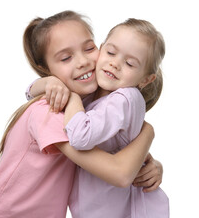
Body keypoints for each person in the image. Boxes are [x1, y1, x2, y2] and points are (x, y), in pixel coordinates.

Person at [0, 11, 157, 218]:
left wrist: (150, 166)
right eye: (66, 58)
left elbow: (119, 150)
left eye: (89, 48)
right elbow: (120, 173)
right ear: (45, 68)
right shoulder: (50, 112)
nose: (83, 61)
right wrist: (148, 132)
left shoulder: (86, 108)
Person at [27, 17, 168, 217]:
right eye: (110, 52)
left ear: (146, 79)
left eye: (129, 63)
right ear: (102, 48)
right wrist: (49, 83)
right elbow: (30, 93)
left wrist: (72, 97)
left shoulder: (124, 98)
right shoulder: (96, 92)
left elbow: (80, 137)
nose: (114, 63)